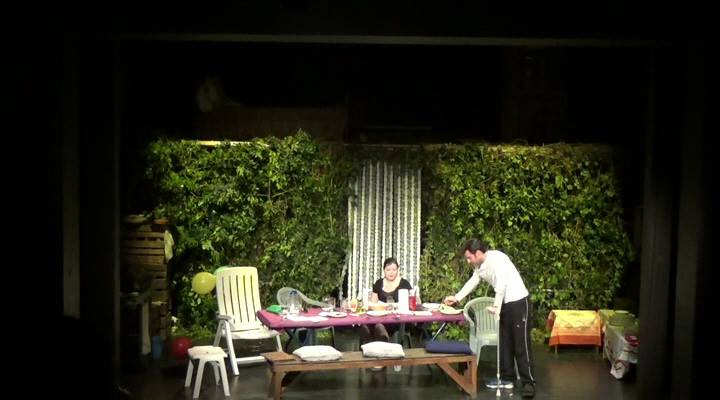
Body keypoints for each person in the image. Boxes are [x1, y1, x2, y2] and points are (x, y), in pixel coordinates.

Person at [443, 238, 536, 398]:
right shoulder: (479, 266)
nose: (468, 261)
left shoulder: (497, 259)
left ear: (478, 253)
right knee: (505, 342)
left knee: (520, 343)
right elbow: (474, 281)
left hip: (518, 301)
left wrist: (496, 306)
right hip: (505, 303)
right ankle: (507, 378)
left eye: (469, 257)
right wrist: (457, 297)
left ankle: (529, 383)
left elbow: (501, 285)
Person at [360, 257, 413, 350]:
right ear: (384, 270)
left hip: (397, 320)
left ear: (398, 270)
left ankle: (382, 350)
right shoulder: (379, 283)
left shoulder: (404, 284)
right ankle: (368, 351)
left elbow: (412, 303)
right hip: (379, 317)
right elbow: (372, 304)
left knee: (379, 326)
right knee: (365, 324)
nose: (391, 272)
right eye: (388, 270)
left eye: (394, 270)